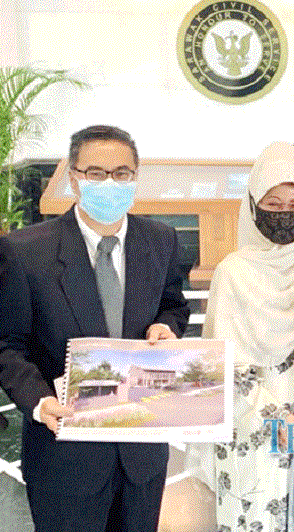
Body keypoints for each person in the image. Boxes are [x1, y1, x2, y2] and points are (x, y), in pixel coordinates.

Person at [0, 125, 189, 532]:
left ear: (135, 176)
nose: (110, 182)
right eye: (96, 173)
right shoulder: (24, 251)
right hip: (65, 457)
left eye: (121, 173)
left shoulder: (161, 240)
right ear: (73, 176)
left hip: (142, 454)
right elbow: (7, 345)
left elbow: (174, 307)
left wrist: (165, 326)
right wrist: (39, 402)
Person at [192, 141, 294, 532]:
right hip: (250, 432)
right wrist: (279, 418)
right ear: (252, 205)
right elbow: (224, 364)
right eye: (273, 206)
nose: (284, 216)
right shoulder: (232, 272)